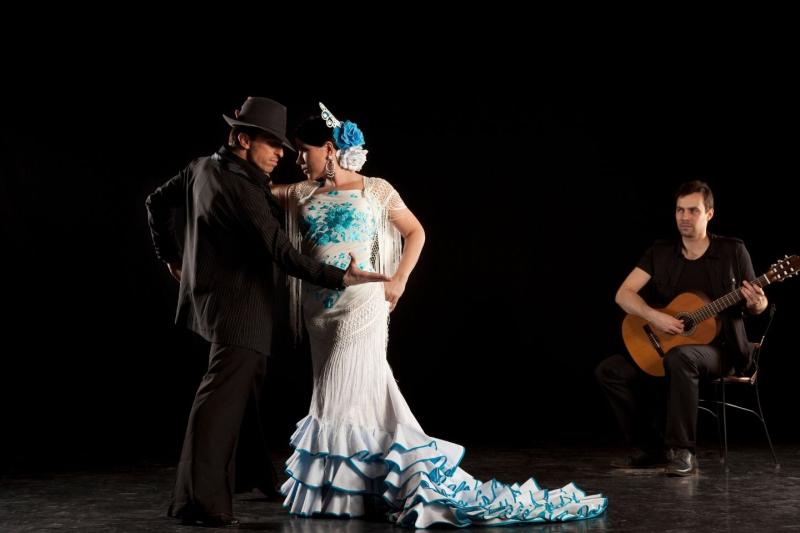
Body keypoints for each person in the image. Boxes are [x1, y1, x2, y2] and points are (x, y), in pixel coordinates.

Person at [270, 103, 608, 527]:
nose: (299, 159)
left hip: (362, 305)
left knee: (346, 388)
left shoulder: (375, 189)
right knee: (351, 395)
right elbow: (247, 190)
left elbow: (416, 232)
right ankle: (365, 485)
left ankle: (347, 493)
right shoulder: (300, 193)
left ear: (331, 150)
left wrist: (399, 281)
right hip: (318, 311)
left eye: (305, 150)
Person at [145, 96, 389, 528]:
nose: (282, 154)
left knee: (243, 387)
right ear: (242, 139)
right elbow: (282, 252)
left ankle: (252, 474)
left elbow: (156, 202)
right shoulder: (243, 187)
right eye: (272, 144)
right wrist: (341, 278)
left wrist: (172, 256)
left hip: (212, 301)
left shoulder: (202, 167)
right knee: (219, 399)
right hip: (240, 309)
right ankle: (200, 502)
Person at [595, 180, 768, 476]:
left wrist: (757, 302)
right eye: (679, 210)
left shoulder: (733, 251)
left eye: (693, 211)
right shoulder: (660, 252)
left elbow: (758, 306)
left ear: (709, 214)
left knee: (682, 357)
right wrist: (655, 316)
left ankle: (682, 452)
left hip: (721, 350)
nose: (684, 217)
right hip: (667, 343)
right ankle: (648, 449)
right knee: (610, 370)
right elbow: (623, 294)